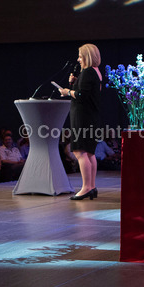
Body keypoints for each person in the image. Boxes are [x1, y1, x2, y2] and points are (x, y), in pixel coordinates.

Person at [59, 43, 102, 199]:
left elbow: (81, 95)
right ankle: (92, 186)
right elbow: (86, 91)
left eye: (80, 56)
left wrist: (66, 91)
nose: (78, 59)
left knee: (79, 152)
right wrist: (75, 82)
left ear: (86, 57)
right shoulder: (95, 72)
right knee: (89, 153)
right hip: (90, 116)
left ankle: (86, 187)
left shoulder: (88, 72)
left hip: (82, 117)